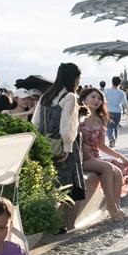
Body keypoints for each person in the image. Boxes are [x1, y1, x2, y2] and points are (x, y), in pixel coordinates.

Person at [35, 63, 87, 203]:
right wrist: (67, 148)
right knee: (65, 184)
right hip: (61, 144)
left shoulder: (46, 96)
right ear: (74, 78)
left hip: (45, 143)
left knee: (48, 181)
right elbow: (67, 126)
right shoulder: (69, 96)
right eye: (79, 78)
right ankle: (61, 221)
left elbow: (35, 122)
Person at [79, 87, 128, 221]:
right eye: (93, 97)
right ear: (84, 98)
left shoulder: (100, 119)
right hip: (81, 158)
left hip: (94, 157)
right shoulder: (78, 116)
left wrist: (121, 156)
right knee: (108, 168)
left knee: (118, 172)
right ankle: (111, 207)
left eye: (99, 98)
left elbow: (101, 145)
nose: (96, 100)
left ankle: (117, 208)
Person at [104, 76, 128, 146]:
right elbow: (124, 103)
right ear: (119, 83)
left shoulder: (106, 91)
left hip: (109, 111)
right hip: (118, 112)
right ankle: (114, 139)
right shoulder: (121, 93)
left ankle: (111, 139)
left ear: (112, 82)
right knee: (115, 126)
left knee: (109, 126)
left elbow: (103, 101)